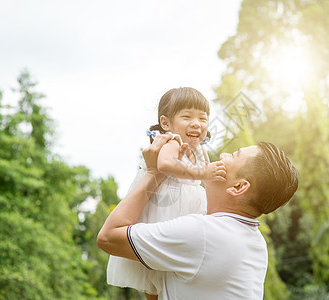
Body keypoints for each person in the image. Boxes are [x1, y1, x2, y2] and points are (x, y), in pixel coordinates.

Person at [97, 134, 299, 299]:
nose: (223, 154)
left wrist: (153, 173)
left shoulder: (203, 233)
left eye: (233, 156)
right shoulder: (253, 242)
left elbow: (108, 237)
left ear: (238, 187)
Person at [106, 87, 226, 299]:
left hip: (189, 212)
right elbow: (164, 164)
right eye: (187, 116)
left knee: (176, 275)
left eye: (203, 118)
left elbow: (206, 177)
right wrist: (203, 172)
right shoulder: (171, 141)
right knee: (153, 276)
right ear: (166, 123)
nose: (197, 123)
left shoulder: (200, 148)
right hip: (165, 210)